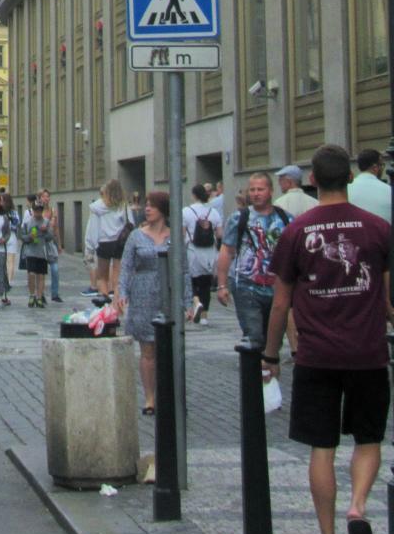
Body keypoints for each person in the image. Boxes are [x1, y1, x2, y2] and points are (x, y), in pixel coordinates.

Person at [263, 144, 394, 534]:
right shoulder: (378, 229)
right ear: (350, 178)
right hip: (368, 352)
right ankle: (358, 505)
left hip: (317, 355)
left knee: (323, 447)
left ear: (313, 180)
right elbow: (386, 299)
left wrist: (270, 354)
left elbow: (280, 303)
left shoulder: (297, 230)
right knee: (368, 440)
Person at [117, 190, 190, 415]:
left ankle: (168, 395)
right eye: (146, 205)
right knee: (148, 349)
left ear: (163, 210)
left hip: (168, 294)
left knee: (168, 348)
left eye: (152, 205)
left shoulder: (175, 236)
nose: (147, 209)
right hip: (143, 294)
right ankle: (150, 398)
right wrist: (122, 292)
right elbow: (126, 266)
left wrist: (187, 301)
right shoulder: (136, 236)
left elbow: (184, 270)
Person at [217, 171, 289, 345]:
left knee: (274, 338)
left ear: (270, 191)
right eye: (252, 190)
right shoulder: (239, 218)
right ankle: (254, 360)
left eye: (260, 189)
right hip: (246, 285)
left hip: (276, 286)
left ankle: (268, 361)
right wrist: (222, 285)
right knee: (253, 335)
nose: (256, 194)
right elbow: (226, 250)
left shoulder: (285, 218)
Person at [85, 178, 130, 296]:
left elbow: (93, 228)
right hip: (119, 242)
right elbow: (130, 223)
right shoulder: (123, 205)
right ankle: (116, 300)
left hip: (103, 243)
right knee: (117, 275)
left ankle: (104, 300)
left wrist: (90, 247)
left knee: (102, 277)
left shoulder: (96, 207)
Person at [181, 183, 219, 323]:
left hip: (192, 250)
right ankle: (204, 317)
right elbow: (220, 233)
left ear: (194, 195)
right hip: (209, 252)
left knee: (189, 279)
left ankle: (196, 302)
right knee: (206, 284)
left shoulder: (186, 211)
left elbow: (182, 234)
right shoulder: (213, 212)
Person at [347, 149, 391, 222]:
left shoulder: (346, 189)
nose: (383, 168)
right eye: (382, 165)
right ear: (375, 167)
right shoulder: (388, 190)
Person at [37, 189, 63, 301]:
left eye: (47, 196)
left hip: (50, 243)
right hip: (40, 244)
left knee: (55, 269)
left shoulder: (53, 210)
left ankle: (55, 293)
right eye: (43, 196)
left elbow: (56, 229)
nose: (46, 199)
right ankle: (40, 294)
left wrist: (59, 244)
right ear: (39, 198)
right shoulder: (37, 211)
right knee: (40, 271)